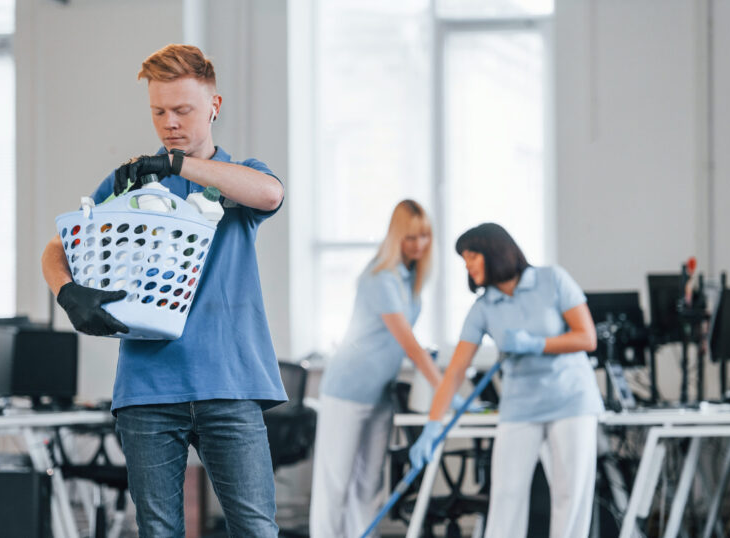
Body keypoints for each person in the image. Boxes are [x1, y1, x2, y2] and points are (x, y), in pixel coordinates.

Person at [41, 44, 286, 537]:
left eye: (183, 110)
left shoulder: (237, 177)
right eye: (158, 111)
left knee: (256, 529)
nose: (169, 122)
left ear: (214, 106)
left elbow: (269, 193)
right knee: (158, 531)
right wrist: (68, 293)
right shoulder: (130, 182)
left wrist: (175, 167)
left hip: (230, 383)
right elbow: (58, 246)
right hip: (148, 386)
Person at [409, 223, 603, 538]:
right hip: (520, 406)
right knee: (505, 495)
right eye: (465, 260)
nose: (468, 266)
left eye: (472, 257)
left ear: (495, 253)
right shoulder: (484, 308)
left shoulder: (552, 280)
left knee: (570, 496)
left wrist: (537, 344)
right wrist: (433, 425)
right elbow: (456, 370)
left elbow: (587, 338)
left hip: (571, 400)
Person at [310, 200, 465, 538]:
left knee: (369, 485)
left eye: (424, 236)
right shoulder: (381, 277)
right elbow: (410, 345)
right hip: (347, 391)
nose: (419, 244)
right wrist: (446, 389)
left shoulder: (410, 280)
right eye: (410, 237)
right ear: (397, 237)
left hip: (380, 395)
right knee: (335, 485)